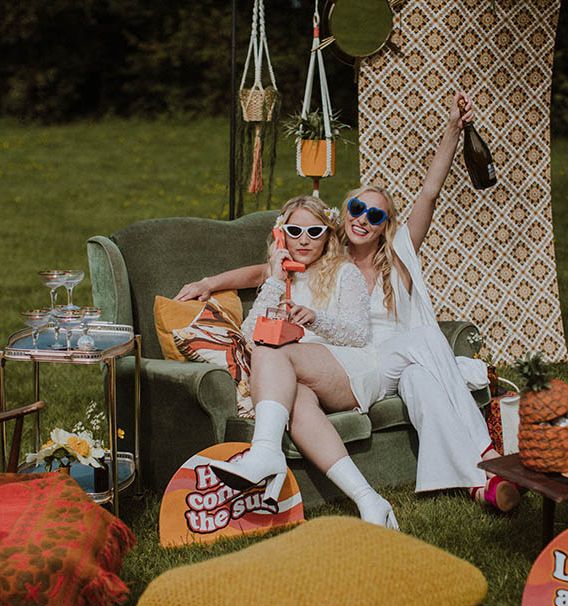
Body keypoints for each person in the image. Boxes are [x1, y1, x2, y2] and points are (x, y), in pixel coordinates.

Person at [177, 92, 518, 512]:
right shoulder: (329, 253)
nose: (364, 219)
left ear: (385, 226)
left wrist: (453, 129)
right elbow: (265, 271)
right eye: (357, 208)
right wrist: (211, 282)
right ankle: (468, 472)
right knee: (418, 371)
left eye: (375, 216)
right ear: (345, 212)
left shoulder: (398, 254)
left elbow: (429, 193)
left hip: (395, 356)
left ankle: (481, 464)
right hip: (354, 364)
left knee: (425, 351)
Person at [208, 195, 398, 529]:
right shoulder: (280, 278)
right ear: (281, 234)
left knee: (274, 347)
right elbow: (249, 336)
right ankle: (369, 500)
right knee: (296, 404)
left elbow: (357, 334)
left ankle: (265, 452)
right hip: (300, 372)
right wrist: (275, 282)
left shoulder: (344, 272)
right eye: (295, 231)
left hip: (350, 367)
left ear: (328, 235)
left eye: (315, 231)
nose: (304, 240)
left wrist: (314, 318)